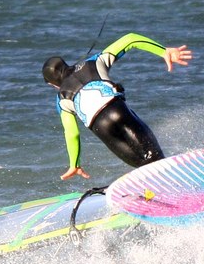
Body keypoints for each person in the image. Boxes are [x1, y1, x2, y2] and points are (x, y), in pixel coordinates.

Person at [43, 33, 192, 180]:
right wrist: (164, 51)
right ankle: (179, 180)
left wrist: (74, 164)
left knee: (144, 164)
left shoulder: (61, 99)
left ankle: (162, 186)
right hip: (118, 109)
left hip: (101, 127)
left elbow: (72, 133)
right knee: (155, 156)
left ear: (52, 84)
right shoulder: (94, 62)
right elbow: (131, 39)